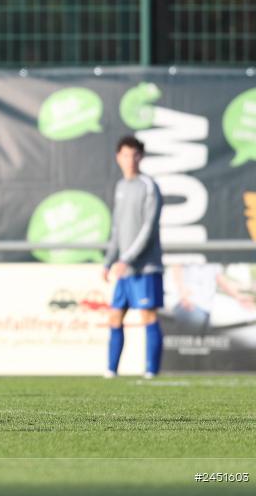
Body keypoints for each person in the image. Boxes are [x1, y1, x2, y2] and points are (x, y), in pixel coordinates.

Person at [102, 136, 164, 379]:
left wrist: (126, 258)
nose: (130, 160)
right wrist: (109, 261)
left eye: (134, 154)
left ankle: (151, 371)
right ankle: (111, 370)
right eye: (125, 155)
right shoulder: (120, 187)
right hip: (123, 268)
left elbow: (148, 228)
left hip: (145, 267)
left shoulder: (149, 185)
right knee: (115, 315)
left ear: (141, 157)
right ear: (118, 157)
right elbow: (117, 229)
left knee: (148, 315)